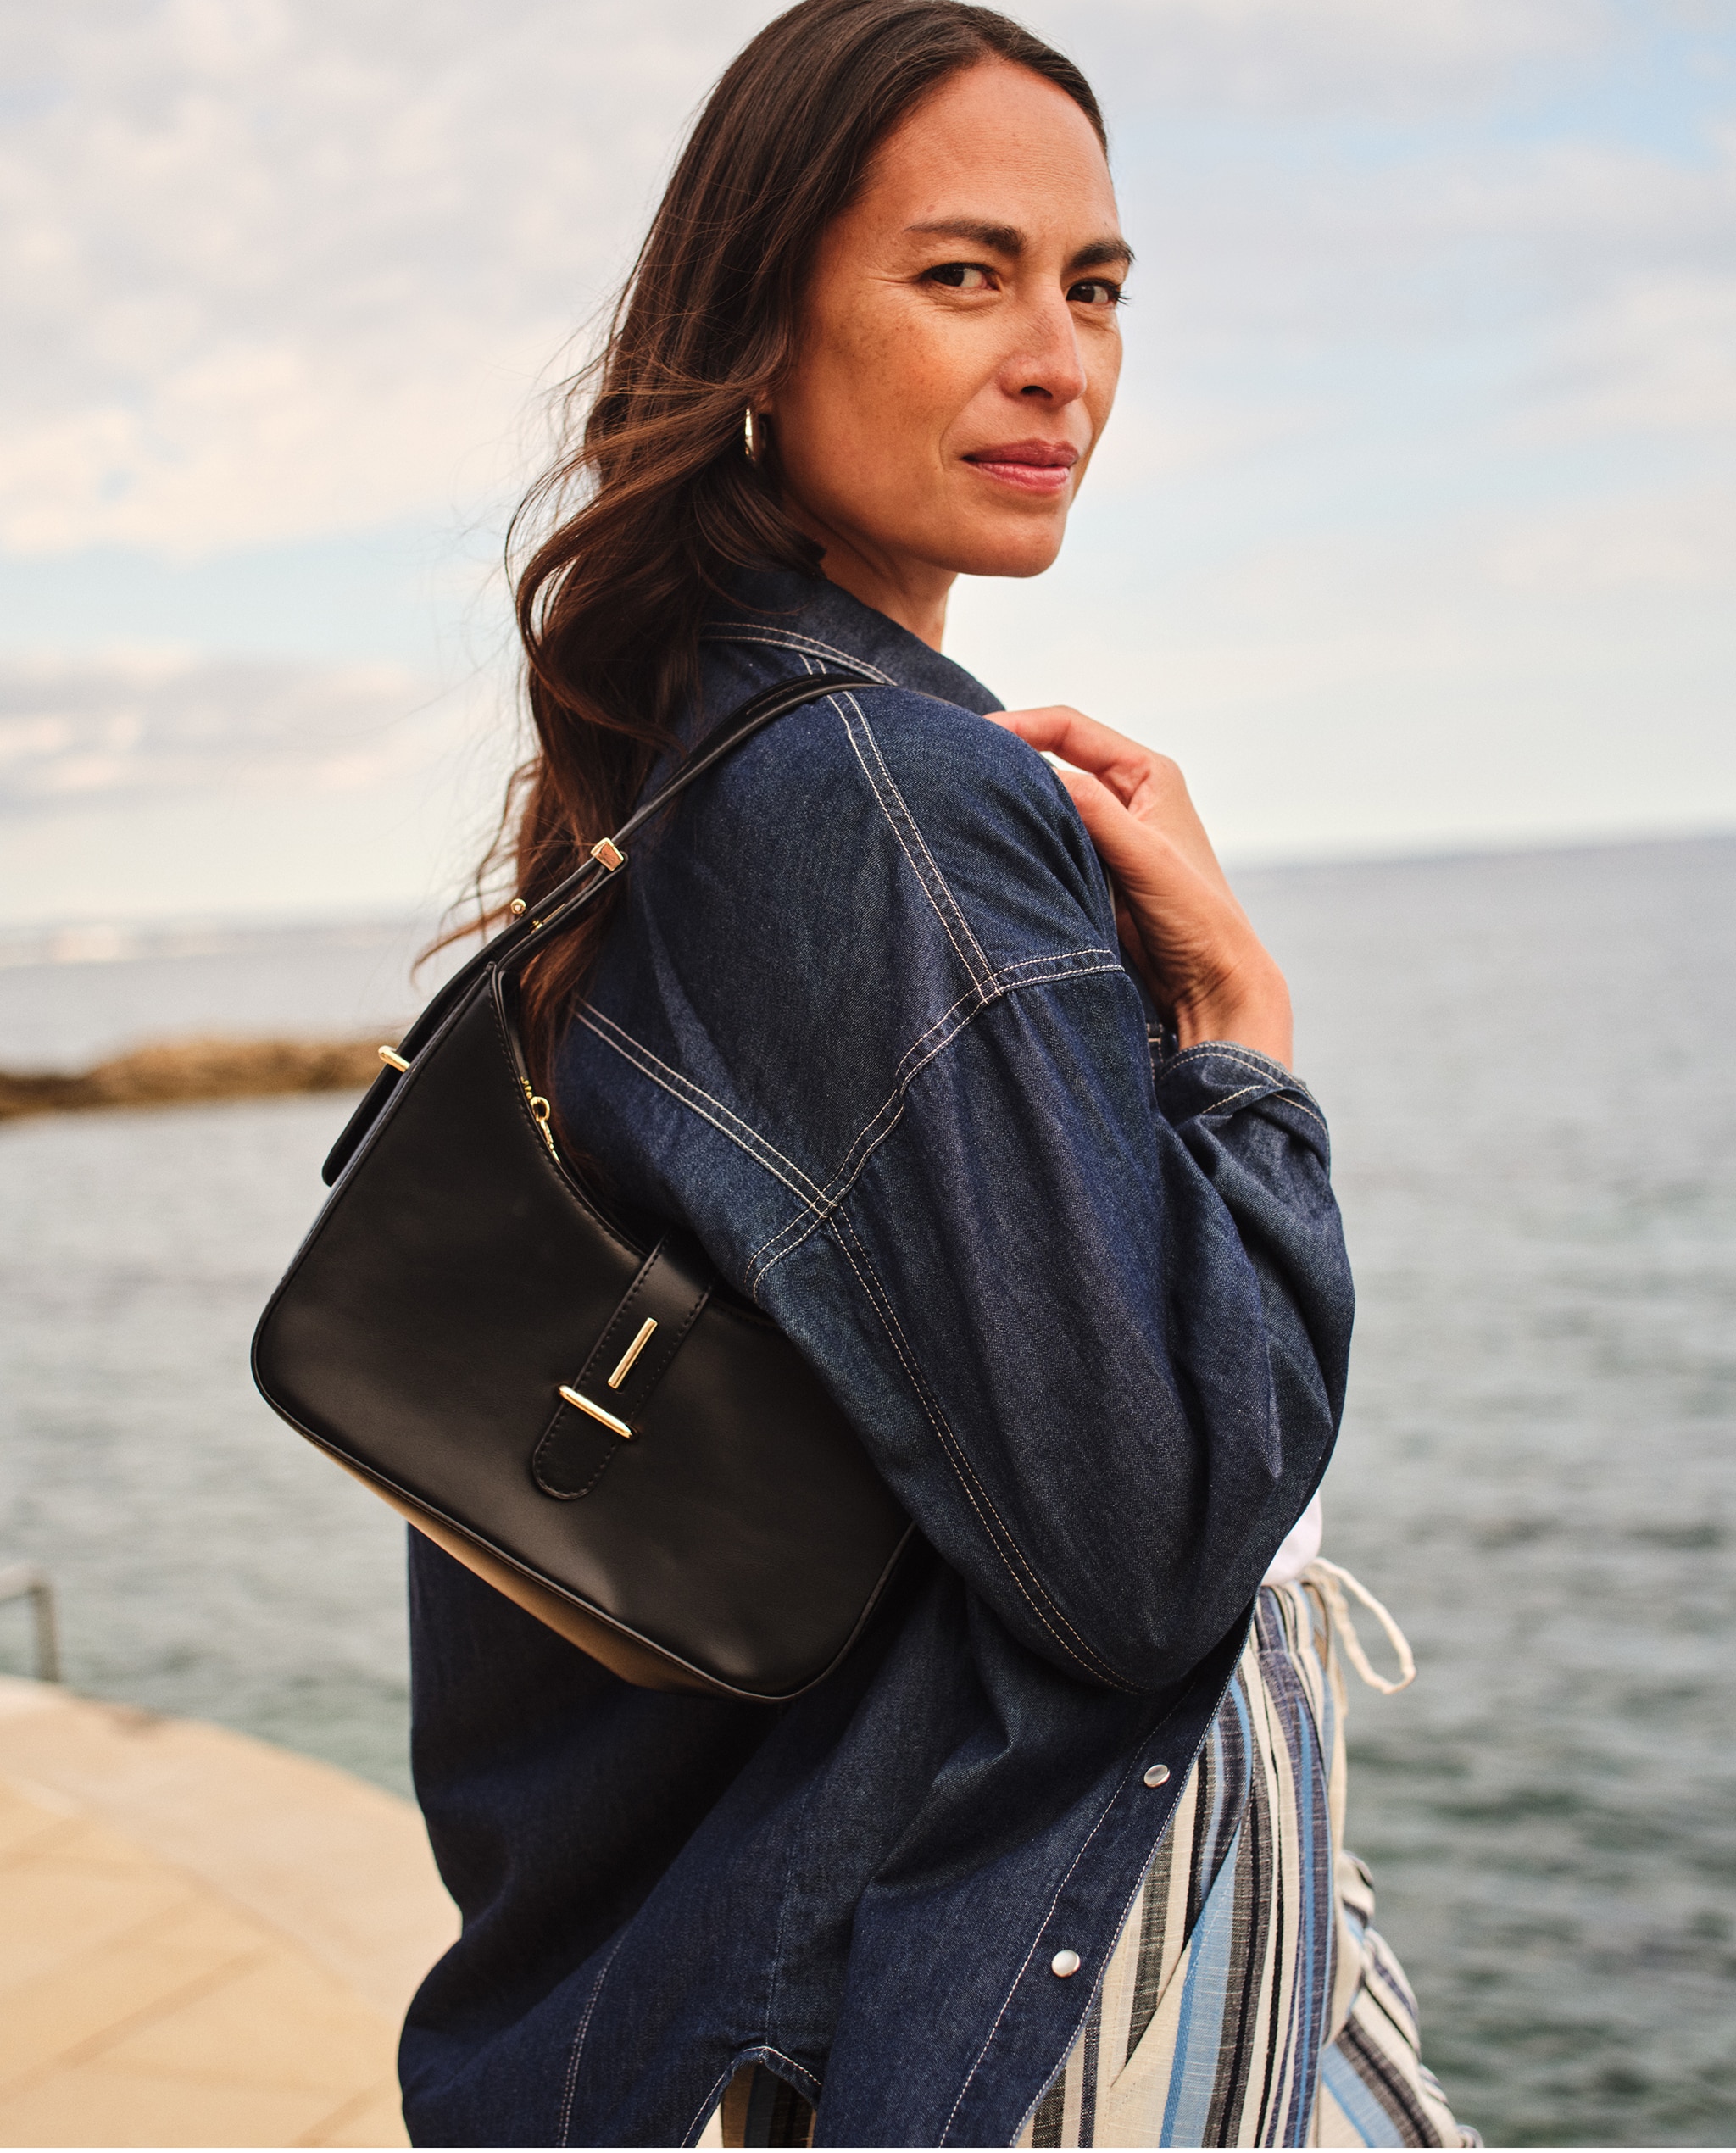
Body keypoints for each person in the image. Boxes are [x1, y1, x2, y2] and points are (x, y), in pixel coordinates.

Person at [399, 2, 1473, 2145]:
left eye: (1095, 288)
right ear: (761, 330)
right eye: (962, 273)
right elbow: (1151, 1553)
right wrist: (1241, 1035)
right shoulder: (881, 797)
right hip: (991, 2031)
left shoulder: (694, 755)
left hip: (722, 1994)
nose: (1059, 358)